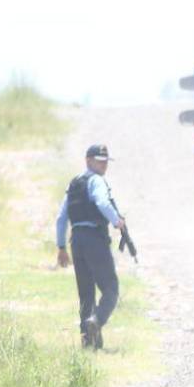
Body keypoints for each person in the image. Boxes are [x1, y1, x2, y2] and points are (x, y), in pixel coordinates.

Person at [55, 145, 127, 350]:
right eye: (99, 160)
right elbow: (102, 203)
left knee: (86, 294)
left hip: (76, 241)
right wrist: (117, 221)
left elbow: (61, 218)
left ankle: (89, 343)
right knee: (111, 289)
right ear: (88, 160)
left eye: (105, 161)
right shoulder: (96, 181)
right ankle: (96, 321)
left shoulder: (74, 184)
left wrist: (61, 246)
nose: (103, 164)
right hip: (95, 238)